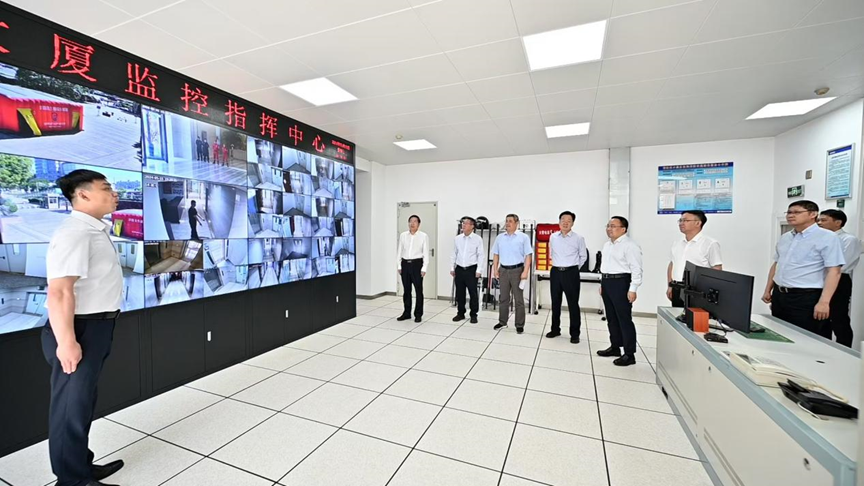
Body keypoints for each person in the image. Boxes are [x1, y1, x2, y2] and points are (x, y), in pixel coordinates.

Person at [42, 169, 126, 486]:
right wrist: (67, 342)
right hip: (78, 330)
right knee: (70, 409)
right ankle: (72, 480)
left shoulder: (94, 229)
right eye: (106, 188)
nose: (114, 193)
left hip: (95, 327)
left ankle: (81, 466)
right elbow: (60, 292)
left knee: (82, 404)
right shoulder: (75, 232)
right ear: (83, 194)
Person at [762, 200, 844, 338]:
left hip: (806, 297)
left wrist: (824, 302)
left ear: (813, 214)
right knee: (779, 335)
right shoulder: (786, 237)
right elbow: (777, 264)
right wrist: (768, 289)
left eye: (796, 212)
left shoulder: (827, 237)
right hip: (780, 295)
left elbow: (834, 271)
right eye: (789, 212)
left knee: (805, 339)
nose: (790, 215)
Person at [597, 216, 643, 366]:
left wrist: (633, 289)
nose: (609, 229)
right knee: (611, 318)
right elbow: (606, 266)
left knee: (624, 319)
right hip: (607, 282)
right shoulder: (607, 245)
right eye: (608, 226)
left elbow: (636, 269)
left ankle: (629, 354)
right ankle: (615, 346)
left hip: (621, 283)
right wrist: (603, 284)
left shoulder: (630, 246)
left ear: (623, 229)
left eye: (613, 226)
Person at [817, 209, 861, 346]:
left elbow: (841, 265)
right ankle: (823, 348)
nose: (819, 223)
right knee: (821, 319)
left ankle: (845, 351)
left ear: (838, 223)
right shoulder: (821, 238)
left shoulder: (849, 240)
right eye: (819, 220)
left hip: (839, 280)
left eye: (823, 220)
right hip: (819, 281)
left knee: (838, 318)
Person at [546, 211, 587, 344]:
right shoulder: (553, 237)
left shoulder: (578, 238)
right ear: (559, 222)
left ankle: (575, 333)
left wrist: (573, 269)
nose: (565, 223)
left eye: (569, 220)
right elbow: (551, 254)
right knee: (555, 302)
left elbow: (583, 257)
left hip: (571, 273)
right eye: (563, 220)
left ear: (572, 223)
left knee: (573, 304)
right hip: (556, 272)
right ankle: (555, 329)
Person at [667, 209, 722, 307]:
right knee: (678, 315)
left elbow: (717, 269)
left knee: (696, 316)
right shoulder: (677, 243)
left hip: (698, 290)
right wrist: (670, 286)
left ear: (698, 223)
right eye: (680, 220)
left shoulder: (710, 243)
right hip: (677, 287)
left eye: (685, 220)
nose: (681, 223)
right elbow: (672, 264)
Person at [492, 214, 533, 333]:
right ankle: (502, 322)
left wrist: (525, 271)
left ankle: (519, 324)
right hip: (503, 270)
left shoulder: (523, 237)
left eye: (510, 221)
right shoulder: (500, 237)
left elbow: (528, 255)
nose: (507, 223)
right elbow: (496, 254)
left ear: (517, 223)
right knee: (503, 298)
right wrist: (495, 269)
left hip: (517, 270)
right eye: (506, 221)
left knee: (518, 299)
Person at [450, 216, 485, 324]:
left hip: (471, 269)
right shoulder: (457, 238)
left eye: (466, 223)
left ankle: (473, 314)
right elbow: (454, 253)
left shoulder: (477, 239)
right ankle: (460, 313)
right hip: (459, 268)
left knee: (473, 293)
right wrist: (452, 267)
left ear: (472, 226)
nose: (463, 225)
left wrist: (479, 270)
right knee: (460, 293)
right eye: (463, 223)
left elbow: (481, 255)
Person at [396, 215, 429, 322]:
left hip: (417, 264)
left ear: (418, 224)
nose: (412, 223)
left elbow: (426, 253)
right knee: (406, 290)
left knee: (418, 291)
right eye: (410, 221)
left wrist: (424, 268)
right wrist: (399, 265)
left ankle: (418, 314)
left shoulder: (423, 236)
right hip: (405, 264)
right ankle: (407, 313)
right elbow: (399, 251)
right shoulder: (403, 235)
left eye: (415, 221)